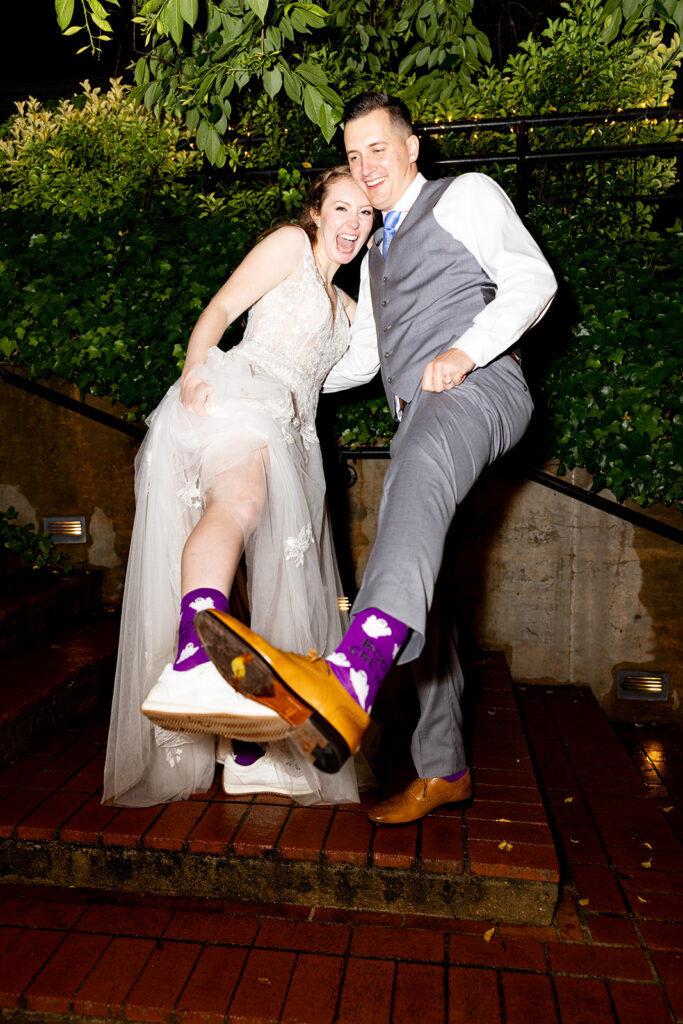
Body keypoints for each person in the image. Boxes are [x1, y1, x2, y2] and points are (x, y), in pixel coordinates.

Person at [194, 91, 557, 823]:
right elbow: (357, 358)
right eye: (354, 155)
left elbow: (534, 279)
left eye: (378, 149)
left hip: (478, 387)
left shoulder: (465, 196)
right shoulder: (378, 253)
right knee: (427, 581)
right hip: (420, 412)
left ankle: (354, 674)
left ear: (411, 147)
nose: (366, 167)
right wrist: (267, 376)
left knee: (414, 476)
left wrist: (465, 349)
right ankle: (442, 765)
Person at [102, 166, 375, 807]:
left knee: (283, 593)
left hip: (295, 434)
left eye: (365, 215)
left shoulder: (351, 311)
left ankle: (248, 750)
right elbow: (223, 306)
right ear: (317, 211)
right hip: (241, 396)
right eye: (341, 208)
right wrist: (197, 366)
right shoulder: (289, 247)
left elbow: (372, 358)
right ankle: (193, 649)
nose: (352, 225)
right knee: (240, 501)